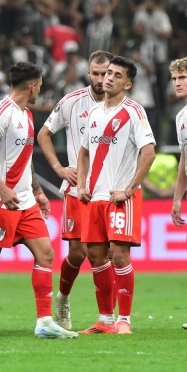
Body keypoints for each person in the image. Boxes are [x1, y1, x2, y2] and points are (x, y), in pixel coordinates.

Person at [0, 62, 78, 341]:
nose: (40, 89)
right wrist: (3, 190)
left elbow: (23, 159)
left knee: (45, 254)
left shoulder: (26, 114)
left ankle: (44, 321)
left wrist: (37, 191)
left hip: (25, 201)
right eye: (39, 84)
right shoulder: (1, 112)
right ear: (32, 85)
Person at [76, 56, 156, 335]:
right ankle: (106, 320)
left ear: (128, 84)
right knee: (96, 256)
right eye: (107, 73)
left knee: (119, 255)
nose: (108, 78)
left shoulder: (134, 111)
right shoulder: (95, 113)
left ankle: (125, 320)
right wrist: (81, 184)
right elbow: (84, 151)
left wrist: (129, 189)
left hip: (120, 197)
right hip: (94, 198)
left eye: (116, 75)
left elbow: (149, 152)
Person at [38, 50, 113, 330]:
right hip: (78, 189)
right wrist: (59, 168)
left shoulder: (124, 107)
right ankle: (63, 298)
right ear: (88, 73)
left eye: (106, 73)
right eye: (95, 73)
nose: (100, 78)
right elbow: (44, 134)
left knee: (104, 254)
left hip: (110, 189)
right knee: (79, 254)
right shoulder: (71, 102)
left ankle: (108, 317)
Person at [169, 57, 187, 330]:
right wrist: (176, 198)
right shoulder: (181, 117)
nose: (177, 83)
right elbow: (184, 159)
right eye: (174, 79)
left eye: (182, 78)